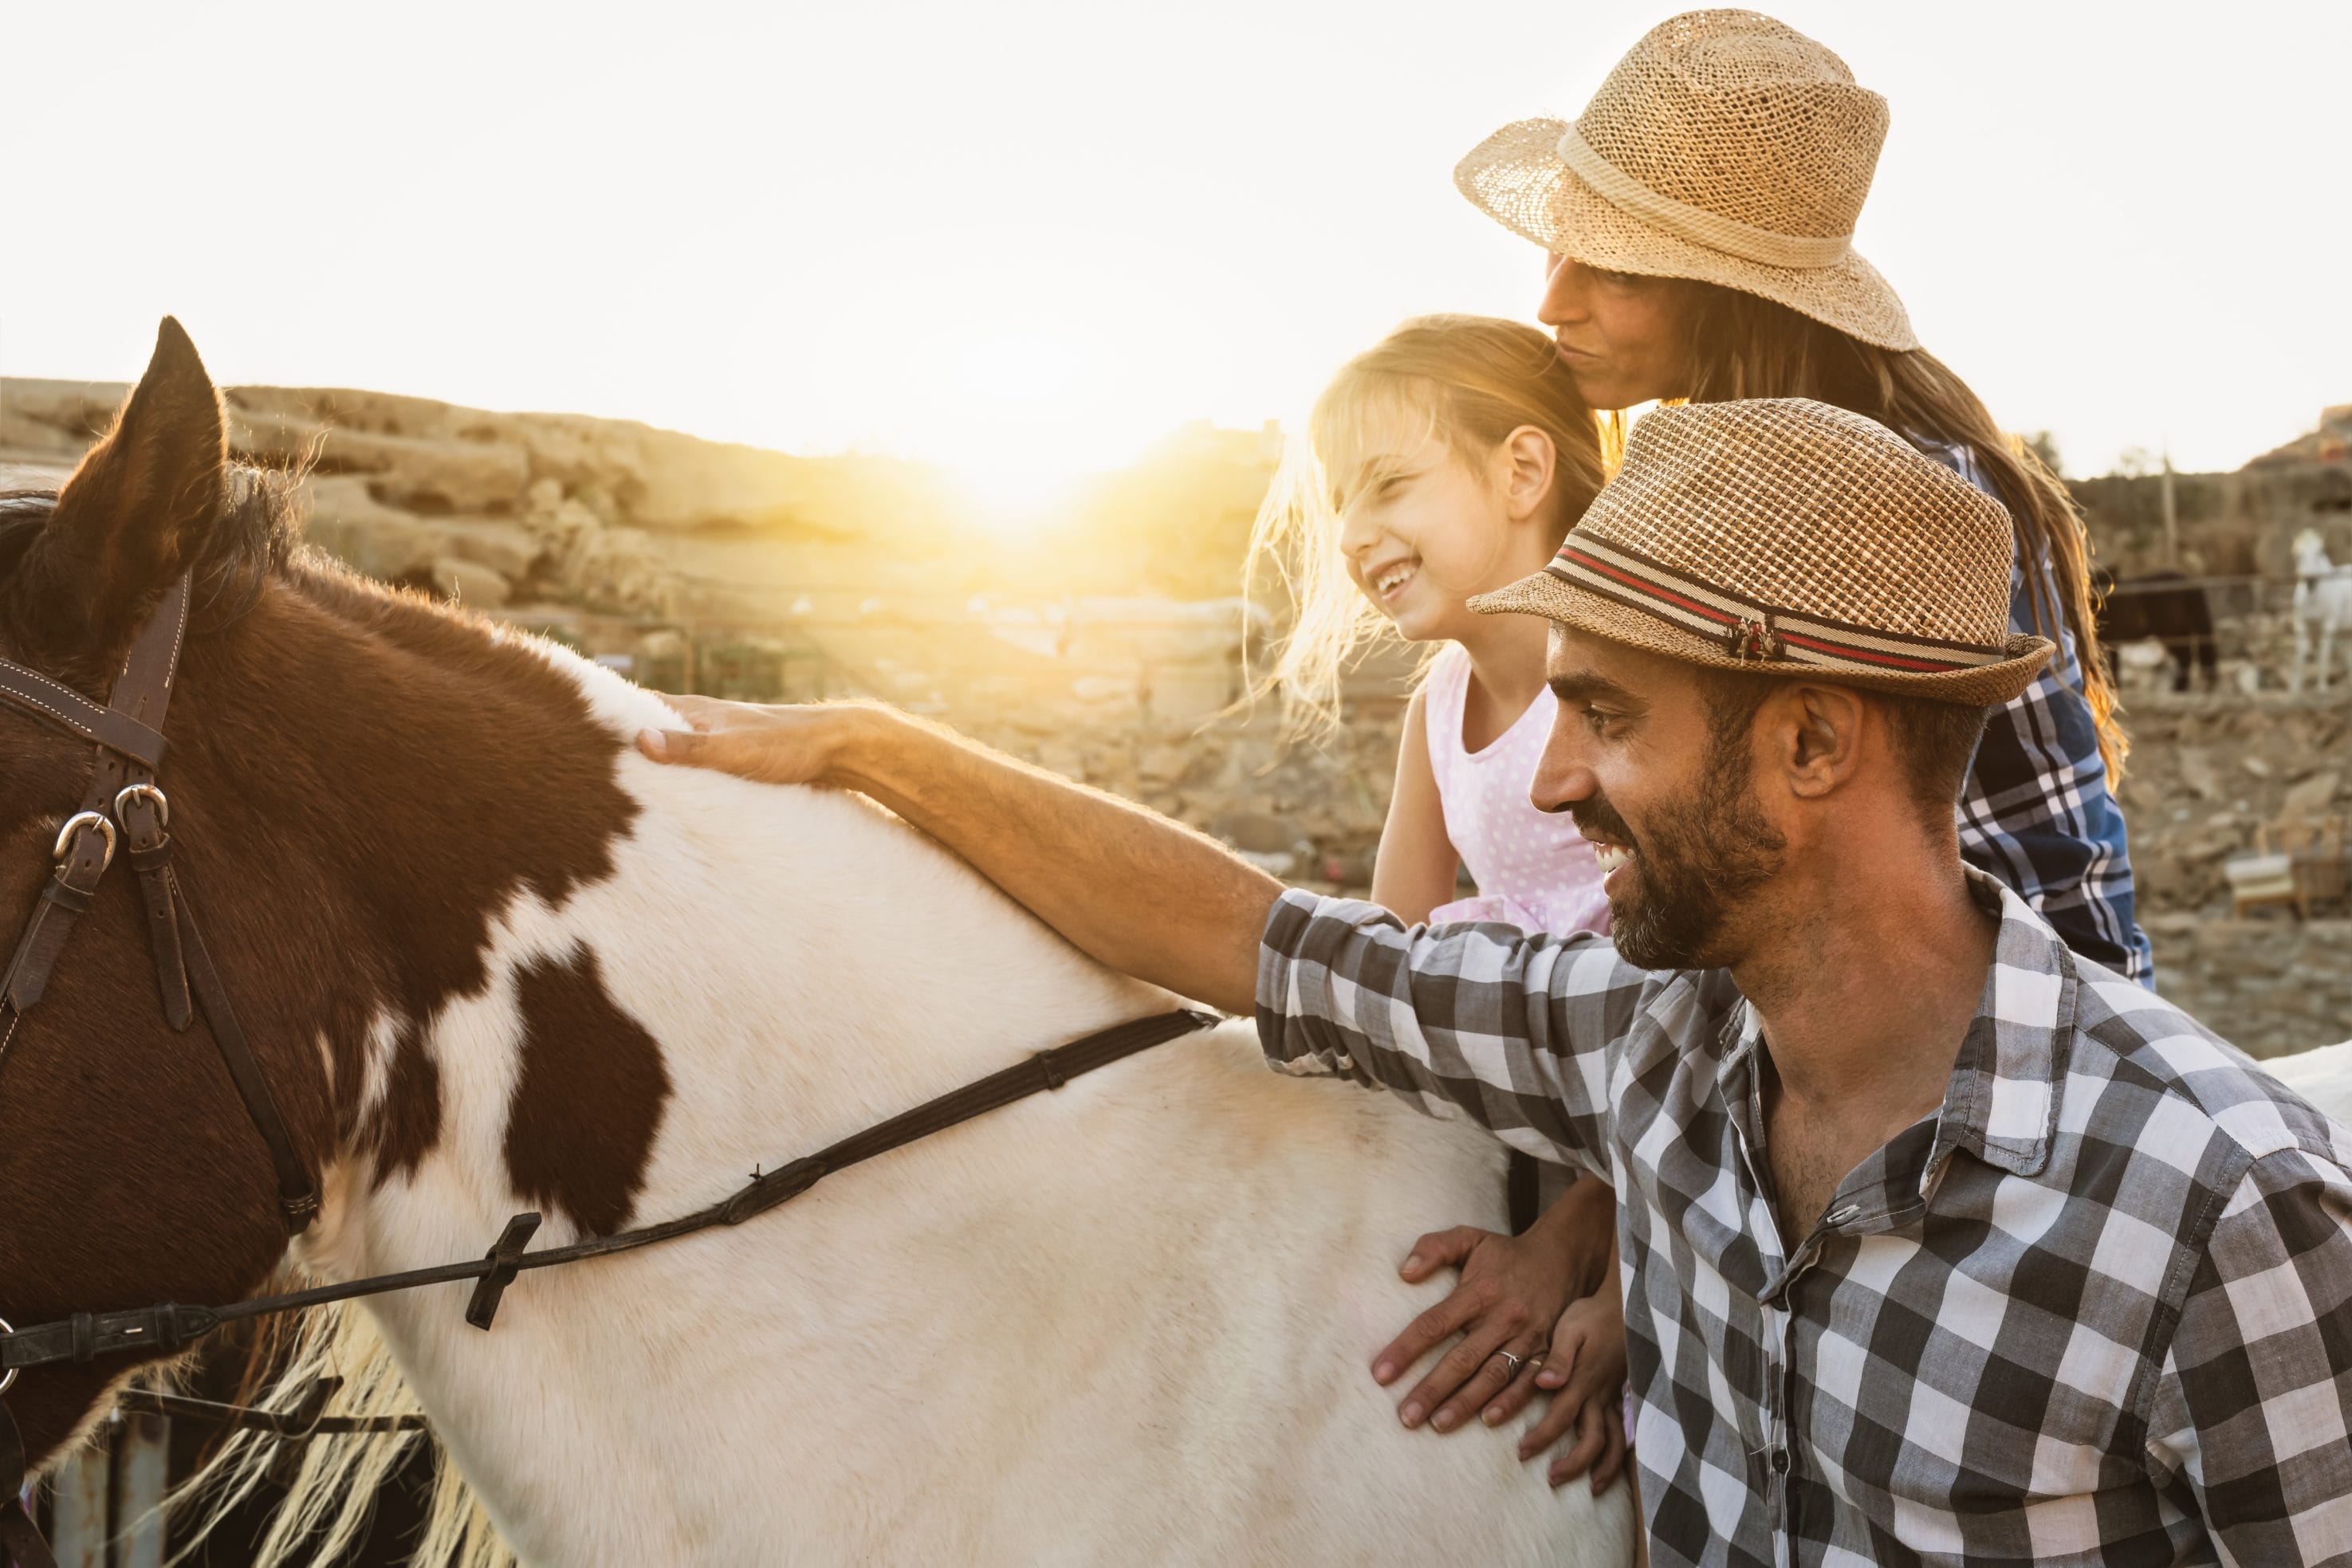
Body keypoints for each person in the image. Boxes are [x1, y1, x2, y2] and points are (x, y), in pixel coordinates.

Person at [640, 398, 2352, 1564]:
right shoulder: (1650, 1048)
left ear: (1812, 740)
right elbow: (1250, 940)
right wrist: (879, 749)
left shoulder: (2220, 1214)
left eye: (1604, 718)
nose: (1543, 784)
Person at [1379, 6, 2160, 1478]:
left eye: (1605, 264)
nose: (1550, 296)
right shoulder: (1763, 470)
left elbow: (1852, 928)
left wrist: (1608, 1246)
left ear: (1722, 293)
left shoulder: (1858, 508)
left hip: (1988, 1094)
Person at [1248, 314, 1634, 1491]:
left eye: (1390, 486)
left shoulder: (1622, 667)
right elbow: (1391, 973)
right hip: (1526, 1106)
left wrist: (1592, 1262)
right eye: (1339, 505)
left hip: (1654, 1159)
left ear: (1523, 470)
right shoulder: (1438, 705)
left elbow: (1717, 1022)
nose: (1357, 536)